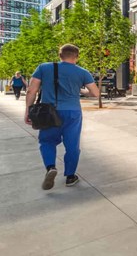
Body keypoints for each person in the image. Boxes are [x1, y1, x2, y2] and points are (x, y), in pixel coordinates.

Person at [25, 44, 99, 190]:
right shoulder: (82, 72)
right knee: (72, 146)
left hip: (48, 112)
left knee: (47, 141)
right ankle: (70, 177)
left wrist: (28, 111)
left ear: (60, 55)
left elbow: (31, 90)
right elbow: (95, 93)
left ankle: (51, 167)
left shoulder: (44, 68)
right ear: (76, 57)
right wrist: (82, 91)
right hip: (73, 112)